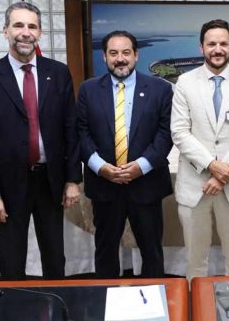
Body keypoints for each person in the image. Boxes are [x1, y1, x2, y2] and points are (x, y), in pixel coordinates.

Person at [0, 2, 82, 280]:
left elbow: (71, 128)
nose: (25, 32)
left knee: (55, 257)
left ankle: (57, 305)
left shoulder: (58, 73)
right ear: (5, 31)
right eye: (18, 25)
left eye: (31, 26)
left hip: (50, 181)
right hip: (7, 185)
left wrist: (72, 179)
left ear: (40, 33)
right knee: (11, 260)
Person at [77, 30, 173, 278]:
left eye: (126, 53)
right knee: (105, 250)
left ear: (136, 55)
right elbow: (81, 133)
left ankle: (153, 308)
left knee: (151, 252)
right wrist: (101, 167)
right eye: (113, 53)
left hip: (146, 185)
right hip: (104, 186)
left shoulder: (160, 89)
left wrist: (141, 166)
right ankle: (105, 305)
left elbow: (165, 134)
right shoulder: (88, 90)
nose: (120, 59)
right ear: (105, 56)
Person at [171, 19, 229, 280]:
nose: (217, 49)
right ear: (201, 48)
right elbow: (179, 132)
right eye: (212, 44)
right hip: (194, 187)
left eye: (223, 43)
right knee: (196, 262)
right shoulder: (184, 83)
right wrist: (212, 165)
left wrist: (222, 174)